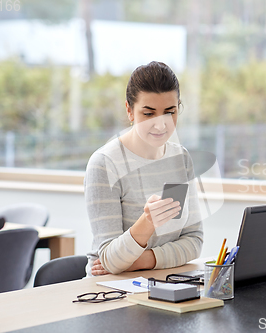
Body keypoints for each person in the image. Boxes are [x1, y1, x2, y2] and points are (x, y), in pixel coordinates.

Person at [84, 61, 203, 277]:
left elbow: (194, 240)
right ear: (130, 110)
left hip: (164, 280)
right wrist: (147, 222)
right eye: (149, 114)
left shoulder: (181, 158)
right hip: (111, 291)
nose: (160, 125)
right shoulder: (104, 164)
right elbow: (109, 261)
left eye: (170, 112)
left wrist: (143, 260)